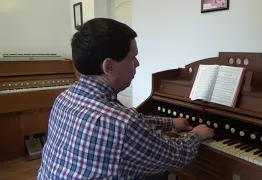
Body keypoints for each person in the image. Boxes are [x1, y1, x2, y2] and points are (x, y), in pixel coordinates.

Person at [37, 18, 214, 180]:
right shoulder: (123, 123)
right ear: (109, 66)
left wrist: (170, 123)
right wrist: (196, 134)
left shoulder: (65, 99)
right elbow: (177, 155)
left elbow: (127, 124)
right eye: (132, 58)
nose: (137, 63)